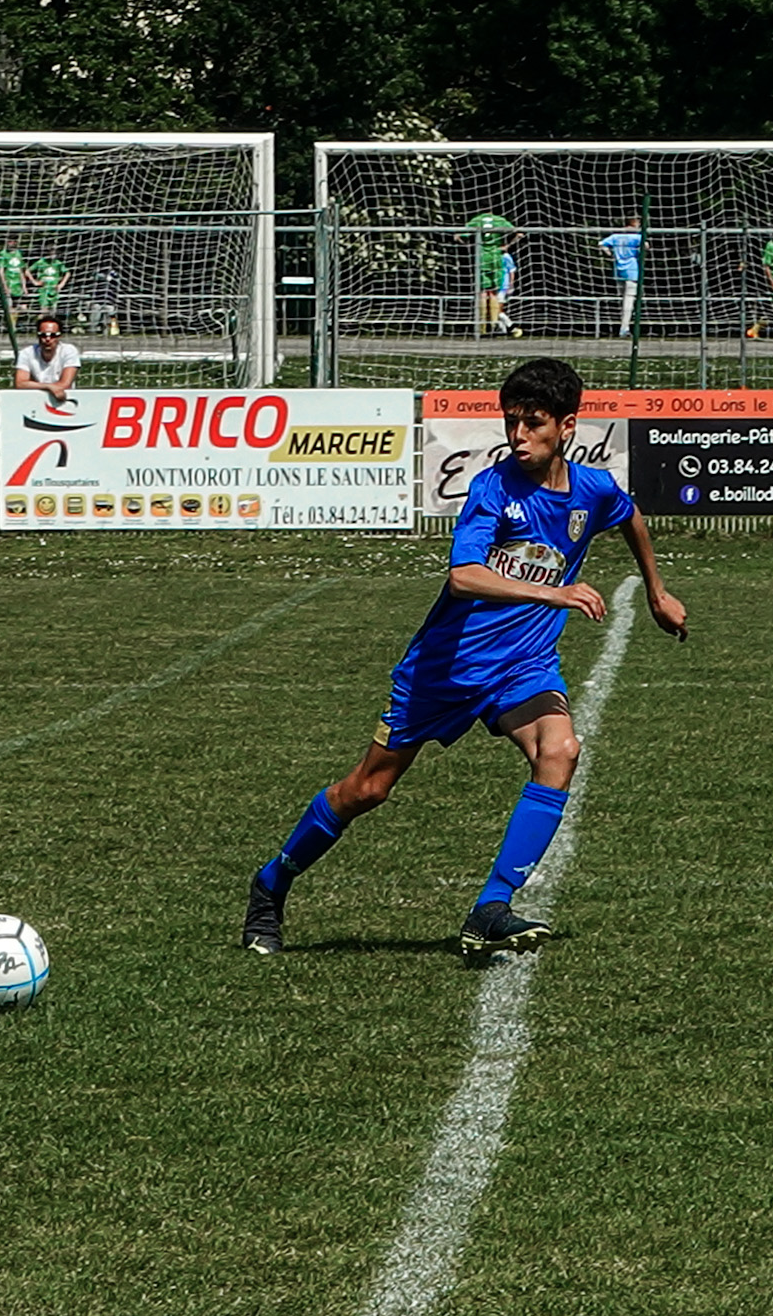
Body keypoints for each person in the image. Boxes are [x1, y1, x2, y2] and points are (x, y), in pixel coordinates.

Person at [240, 357, 687, 958]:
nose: (519, 437)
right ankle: (273, 882)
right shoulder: (492, 489)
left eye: (534, 424)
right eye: (511, 423)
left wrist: (657, 591)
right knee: (368, 790)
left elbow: (627, 513)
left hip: (522, 666)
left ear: (568, 426)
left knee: (560, 750)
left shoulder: (591, 490)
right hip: (445, 669)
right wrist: (553, 591)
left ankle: (490, 907)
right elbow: (464, 577)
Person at [461, 212, 515, 335]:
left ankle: (481, 326)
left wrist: (468, 246)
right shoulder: (499, 219)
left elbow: (459, 235)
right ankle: (494, 324)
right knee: (494, 292)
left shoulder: (477, 219)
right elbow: (516, 232)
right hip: (495, 256)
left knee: (483, 292)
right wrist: (506, 245)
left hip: (481, 256)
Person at [14, 314, 81, 405]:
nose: (48, 339)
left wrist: (35, 385)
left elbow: (65, 384)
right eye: (43, 335)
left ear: (59, 336)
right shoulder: (26, 353)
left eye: (53, 335)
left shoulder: (69, 351)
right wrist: (49, 387)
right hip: (35, 400)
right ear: (38, 336)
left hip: (64, 399)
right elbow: (20, 383)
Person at [599, 216, 643, 338]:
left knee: (623, 300)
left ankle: (623, 326)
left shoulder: (616, 236)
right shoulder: (636, 237)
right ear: (635, 223)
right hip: (632, 271)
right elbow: (646, 246)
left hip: (618, 270)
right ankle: (624, 328)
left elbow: (601, 244)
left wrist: (610, 254)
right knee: (629, 301)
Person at [493, 237, 524, 337]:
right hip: (495, 285)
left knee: (498, 309)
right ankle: (502, 330)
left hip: (503, 286)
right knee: (495, 309)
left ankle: (512, 327)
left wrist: (511, 285)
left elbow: (512, 271)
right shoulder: (493, 257)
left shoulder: (506, 256)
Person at [0, 238, 27, 328]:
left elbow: (21, 271)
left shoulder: (18, 254)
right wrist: (4, 286)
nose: (10, 243)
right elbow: (1, 272)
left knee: (23, 308)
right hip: (9, 284)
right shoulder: (3, 254)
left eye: (12, 241)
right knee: (10, 307)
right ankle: (11, 327)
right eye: (8, 241)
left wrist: (24, 286)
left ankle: (9, 323)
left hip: (18, 285)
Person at [28, 253, 70, 320]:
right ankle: (40, 325)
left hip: (54, 290)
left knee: (53, 311)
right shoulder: (41, 262)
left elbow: (67, 273)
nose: (52, 254)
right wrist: (34, 282)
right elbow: (27, 271)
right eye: (50, 252)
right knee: (44, 310)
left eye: (54, 252)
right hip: (43, 289)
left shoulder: (58, 263)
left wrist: (62, 284)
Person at [90, 264, 122, 336]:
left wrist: (112, 278)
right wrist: (103, 277)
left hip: (109, 300)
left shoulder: (113, 274)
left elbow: (118, 282)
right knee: (96, 316)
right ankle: (94, 330)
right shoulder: (97, 273)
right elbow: (93, 279)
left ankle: (114, 331)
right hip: (98, 299)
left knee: (111, 315)